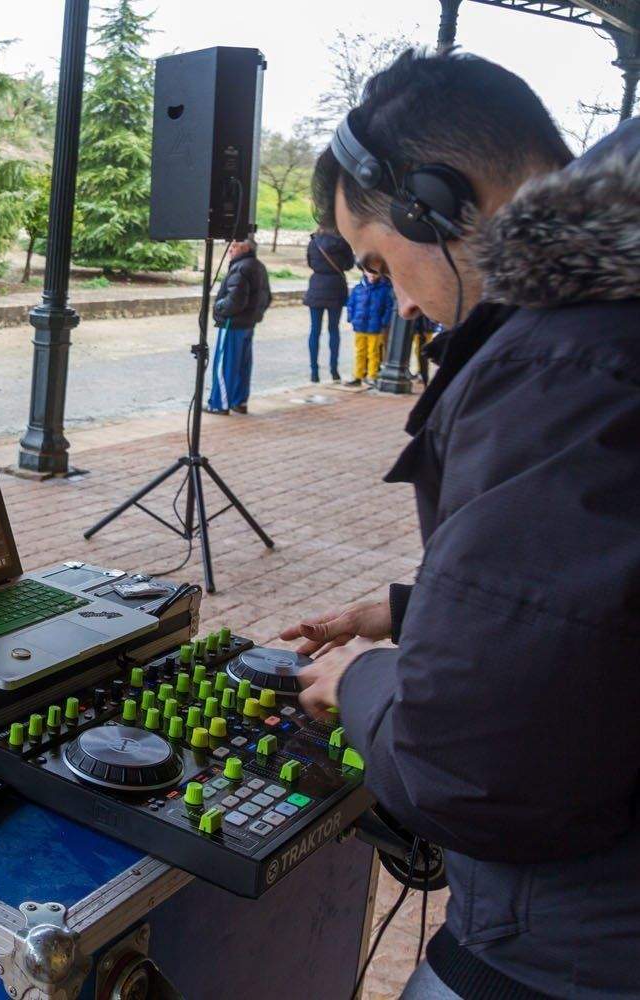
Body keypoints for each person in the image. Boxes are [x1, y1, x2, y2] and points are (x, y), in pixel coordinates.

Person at [284, 48, 639, 1000]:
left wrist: (363, 682)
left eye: (381, 263)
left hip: (578, 942)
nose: (395, 299)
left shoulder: (566, 360)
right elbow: (601, 602)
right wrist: (411, 610)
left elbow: (470, 765)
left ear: (436, 203)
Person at [205, 237, 272, 415]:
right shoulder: (258, 266)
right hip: (248, 323)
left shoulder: (241, 268)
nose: (230, 250)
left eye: (235, 246)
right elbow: (267, 297)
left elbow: (235, 300)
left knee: (225, 364)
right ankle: (239, 401)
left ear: (245, 248)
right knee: (242, 364)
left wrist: (218, 307)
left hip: (232, 323)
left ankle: (219, 404)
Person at [304, 227, 355, 382]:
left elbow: (310, 263)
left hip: (317, 285)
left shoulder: (313, 243)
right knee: (333, 330)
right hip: (336, 286)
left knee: (315, 330)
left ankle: (314, 372)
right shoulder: (343, 243)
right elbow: (349, 265)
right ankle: (334, 370)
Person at [344, 267, 396, 386]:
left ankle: (372, 376)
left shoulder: (384, 290)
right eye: (369, 272)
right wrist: (351, 318)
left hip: (375, 327)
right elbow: (351, 304)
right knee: (360, 351)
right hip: (360, 326)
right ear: (364, 272)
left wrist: (384, 322)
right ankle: (358, 375)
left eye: (375, 273)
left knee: (373, 353)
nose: (372, 276)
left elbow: (388, 308)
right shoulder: (358, 288)